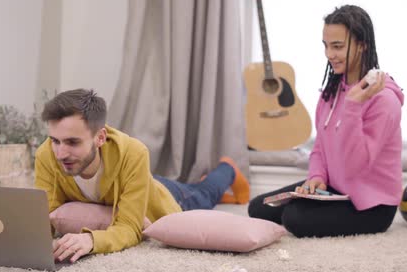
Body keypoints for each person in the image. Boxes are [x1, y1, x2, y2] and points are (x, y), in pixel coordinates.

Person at [34, 89, 250, 262]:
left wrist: (91, 240)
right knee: (196, 189)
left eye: (73, 142)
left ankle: (228, 168)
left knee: (202, 195)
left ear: (100, 138)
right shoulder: (47, 154)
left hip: (166, 197)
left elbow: (129, 228)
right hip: (136, 184)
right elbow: (47, 213)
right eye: (55, 140)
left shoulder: (134, 152)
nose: (60, 153)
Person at [248, 5, 404, 237]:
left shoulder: (384, 101)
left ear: (362, 45)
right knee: (259, 207)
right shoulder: (331, 91)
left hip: (372, 205)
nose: (329, 54)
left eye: (338, 46)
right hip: (335, 189)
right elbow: (320, 146)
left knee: (294, 218)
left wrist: (353, 106)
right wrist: (317, 178)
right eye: (326, 45)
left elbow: (355, 165)